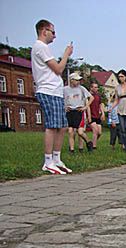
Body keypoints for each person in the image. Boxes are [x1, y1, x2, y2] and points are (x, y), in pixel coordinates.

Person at [31, 19, 73, 174]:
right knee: (52, 125)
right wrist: (66, 54)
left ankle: (56, 158)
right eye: (53, 32)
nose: (54, 36)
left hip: (55, 91)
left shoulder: (43, 48)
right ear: (44, 31)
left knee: (62, 126)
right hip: (47, 90)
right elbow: (58, 69)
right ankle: (48, 160)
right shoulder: (40, 47)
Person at [63, 72, 93, 153]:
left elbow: (91, 98)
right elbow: (60, 99)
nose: (78, 82)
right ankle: (71, 150)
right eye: (76, 80)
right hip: (70, 112)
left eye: (79, 80)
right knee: (70, 131)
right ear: (71, 80)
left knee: (80, 132)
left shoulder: (81, 88)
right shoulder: (65, 89)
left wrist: (85, 107)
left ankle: (89, 142)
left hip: (79, 112)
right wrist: (64, 107)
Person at [88, 82, 105, 150]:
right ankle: (94, 147)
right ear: (91, 88)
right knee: (95, 131)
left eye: (96, 87)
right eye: (94, 87)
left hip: (97, 116)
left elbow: (100, 105)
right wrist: (88, 117)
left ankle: (91, 143)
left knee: (99, 133)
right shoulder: (88, 96)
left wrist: (103, 113)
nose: (95, 88)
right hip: (91, 116)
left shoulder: (98, 96)